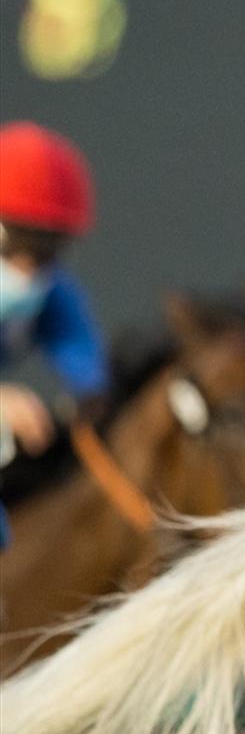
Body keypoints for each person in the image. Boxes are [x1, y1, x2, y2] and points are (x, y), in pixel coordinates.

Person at [0, 121, 108, 549]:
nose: (29, 267)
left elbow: (84, 360)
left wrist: (91, 401)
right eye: (17, 243)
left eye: (46, 250)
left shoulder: (53, 291)